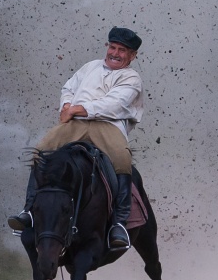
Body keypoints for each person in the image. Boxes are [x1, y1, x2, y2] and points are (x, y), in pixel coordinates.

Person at [8, 26, 145, 251]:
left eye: (122, 50)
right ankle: (29, 211)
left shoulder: (132, 78)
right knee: (41, 151)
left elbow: (113, 105)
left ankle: (119, 224)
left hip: (107, 125)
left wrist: (76, 110)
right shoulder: (90, 66)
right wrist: (66, 106)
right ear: (107, 46)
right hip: (76, 123)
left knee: (122, 160)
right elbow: (68, 87)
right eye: (113, 47)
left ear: (132, 56)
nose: (115, 53)